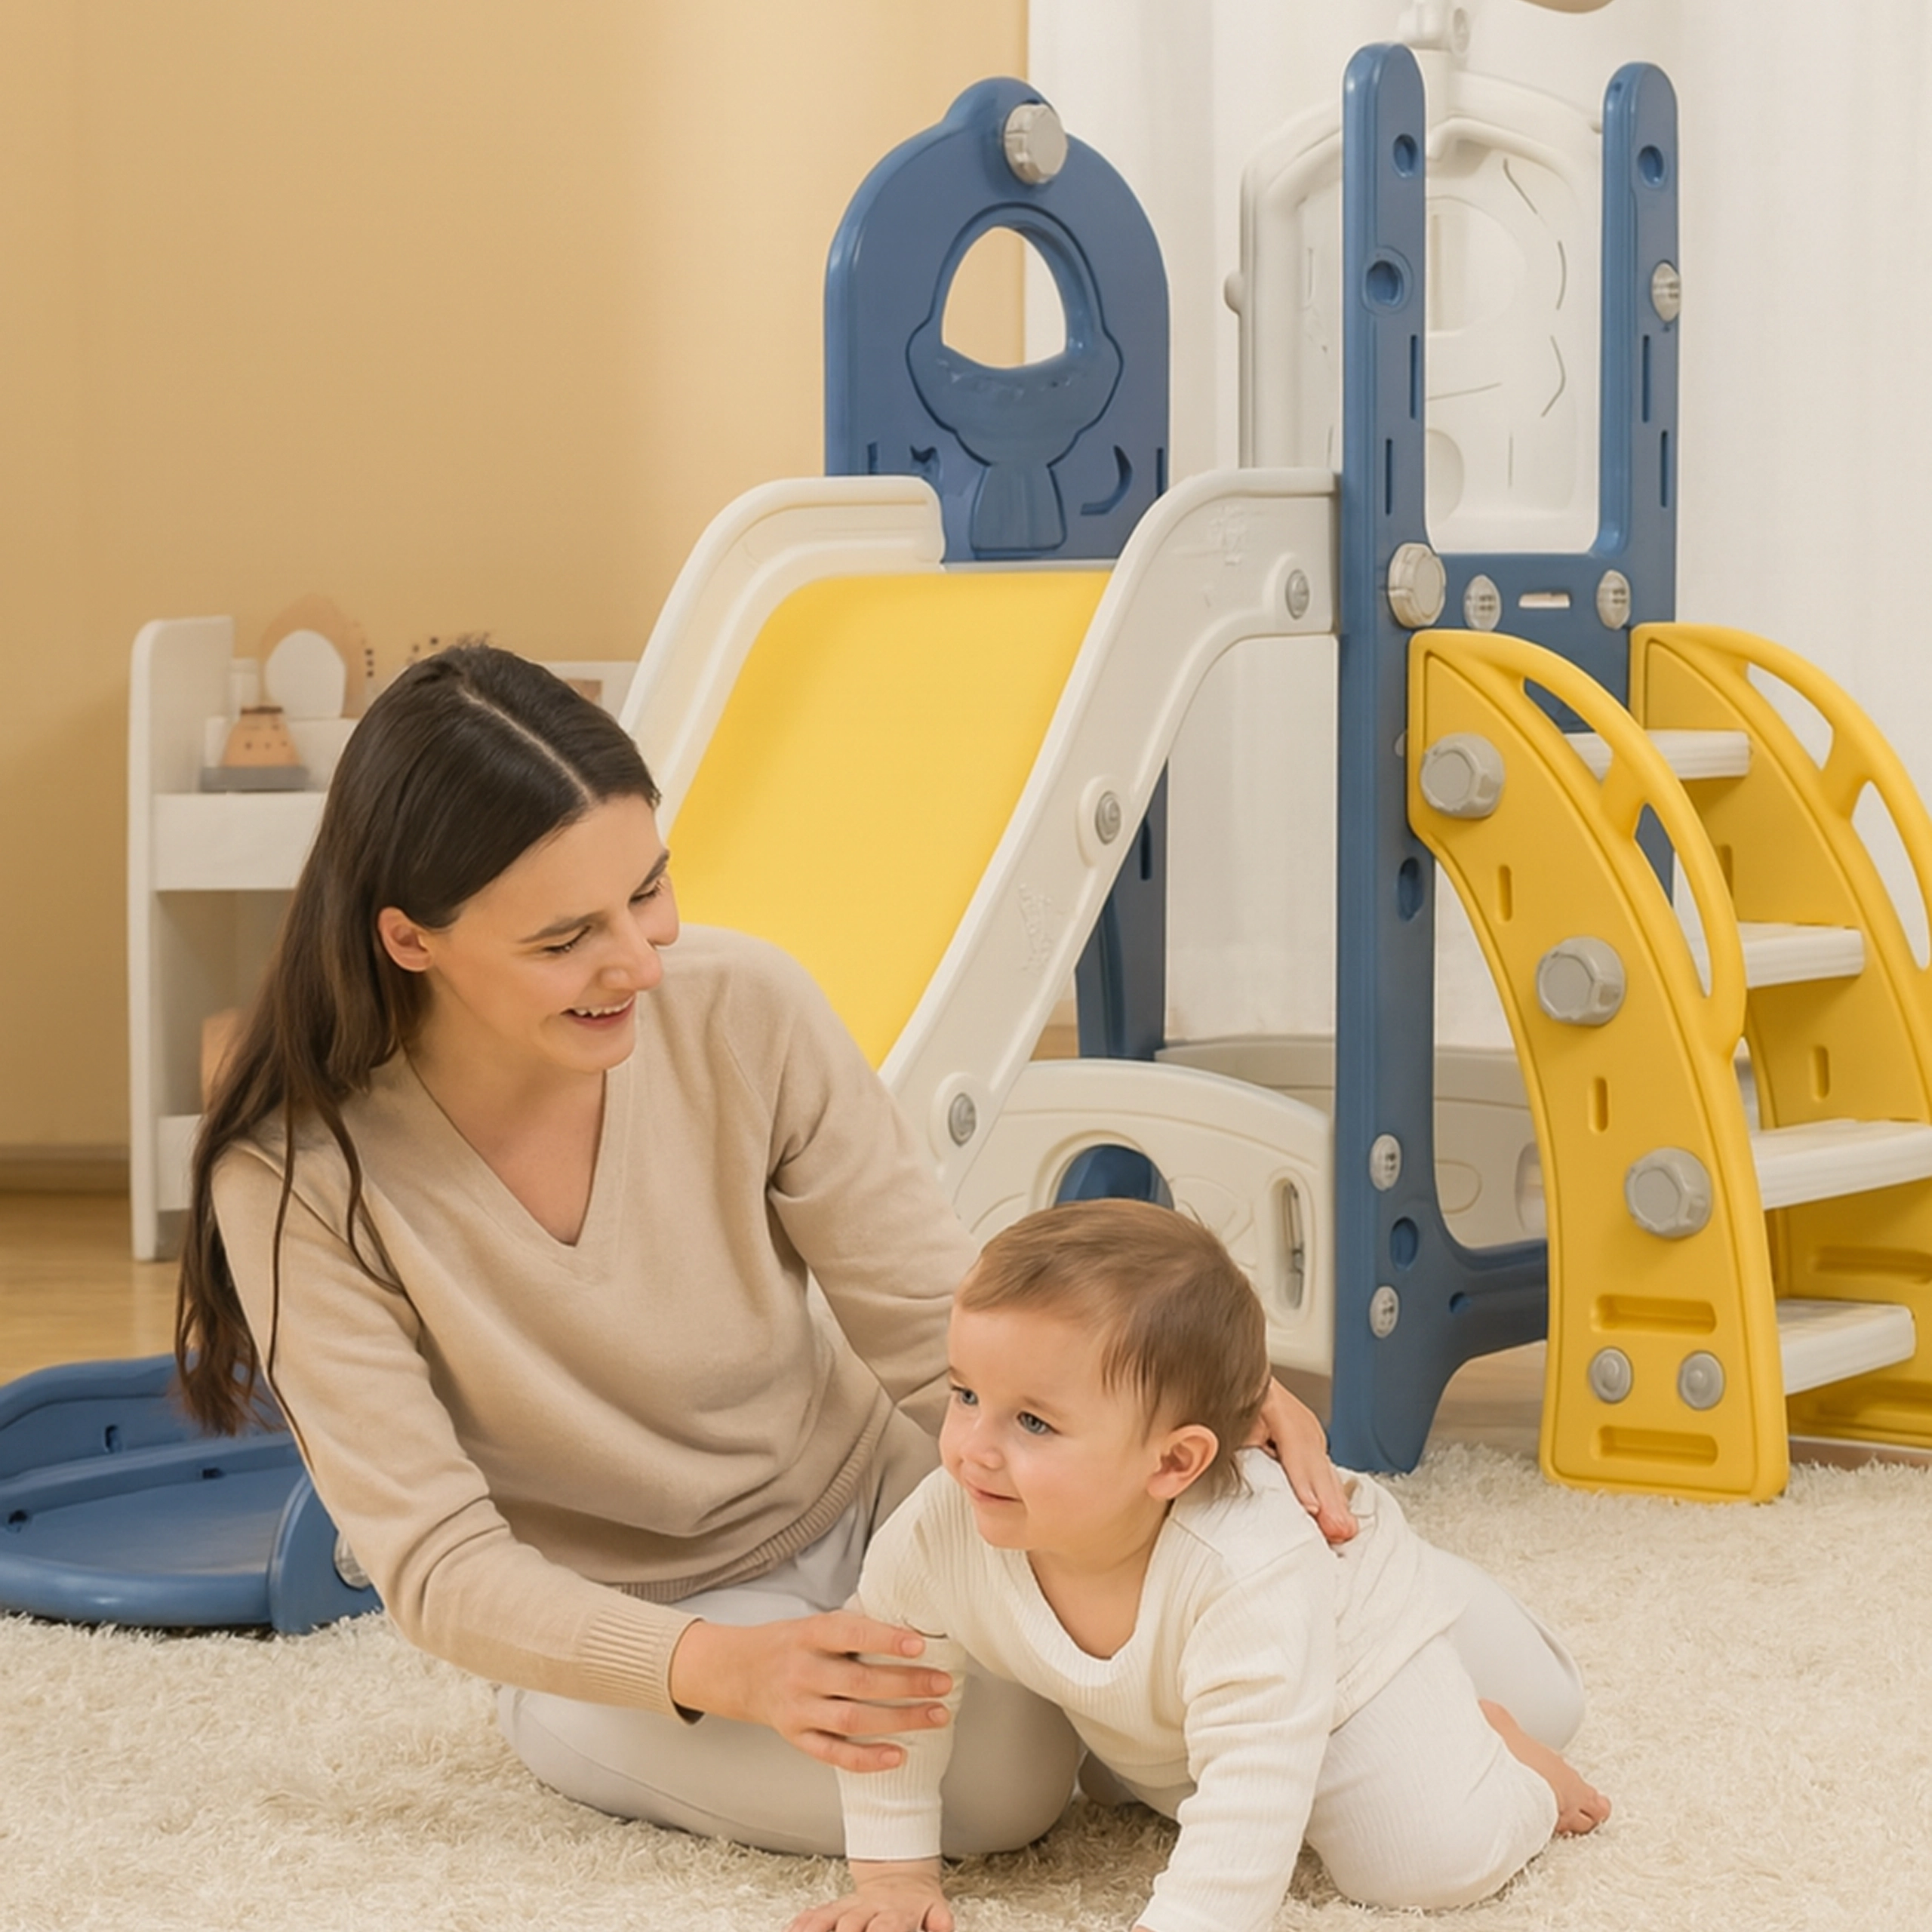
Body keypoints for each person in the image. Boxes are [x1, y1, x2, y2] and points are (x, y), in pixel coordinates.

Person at [172, 642, 1355, 1858]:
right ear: (412, 940)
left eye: (648, 890)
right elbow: (440, 1566)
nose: (641, 961)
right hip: (640, 1635)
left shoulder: (742, 1006)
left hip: (883, 1498)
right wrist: (722, 1668)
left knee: (1286, 1586)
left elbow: (925, 1319)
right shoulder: (294, 1178)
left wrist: (1166, 1397)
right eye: (566, 938)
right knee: (1000, 1782)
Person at [792, 1200, 1609, 1932]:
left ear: (1174, 1462)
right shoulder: (939, 1528)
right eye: (966, 1395)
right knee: (1164, 1783)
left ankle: (1515, 1761)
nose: (972, 1449)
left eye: (1033, 1423)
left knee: (1422, 1859)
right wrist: (894, 1875)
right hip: (1192, 1710)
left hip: (1352, 1654)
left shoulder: (1242, 1564)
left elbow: (1253, 1786)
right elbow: (891, 1692)